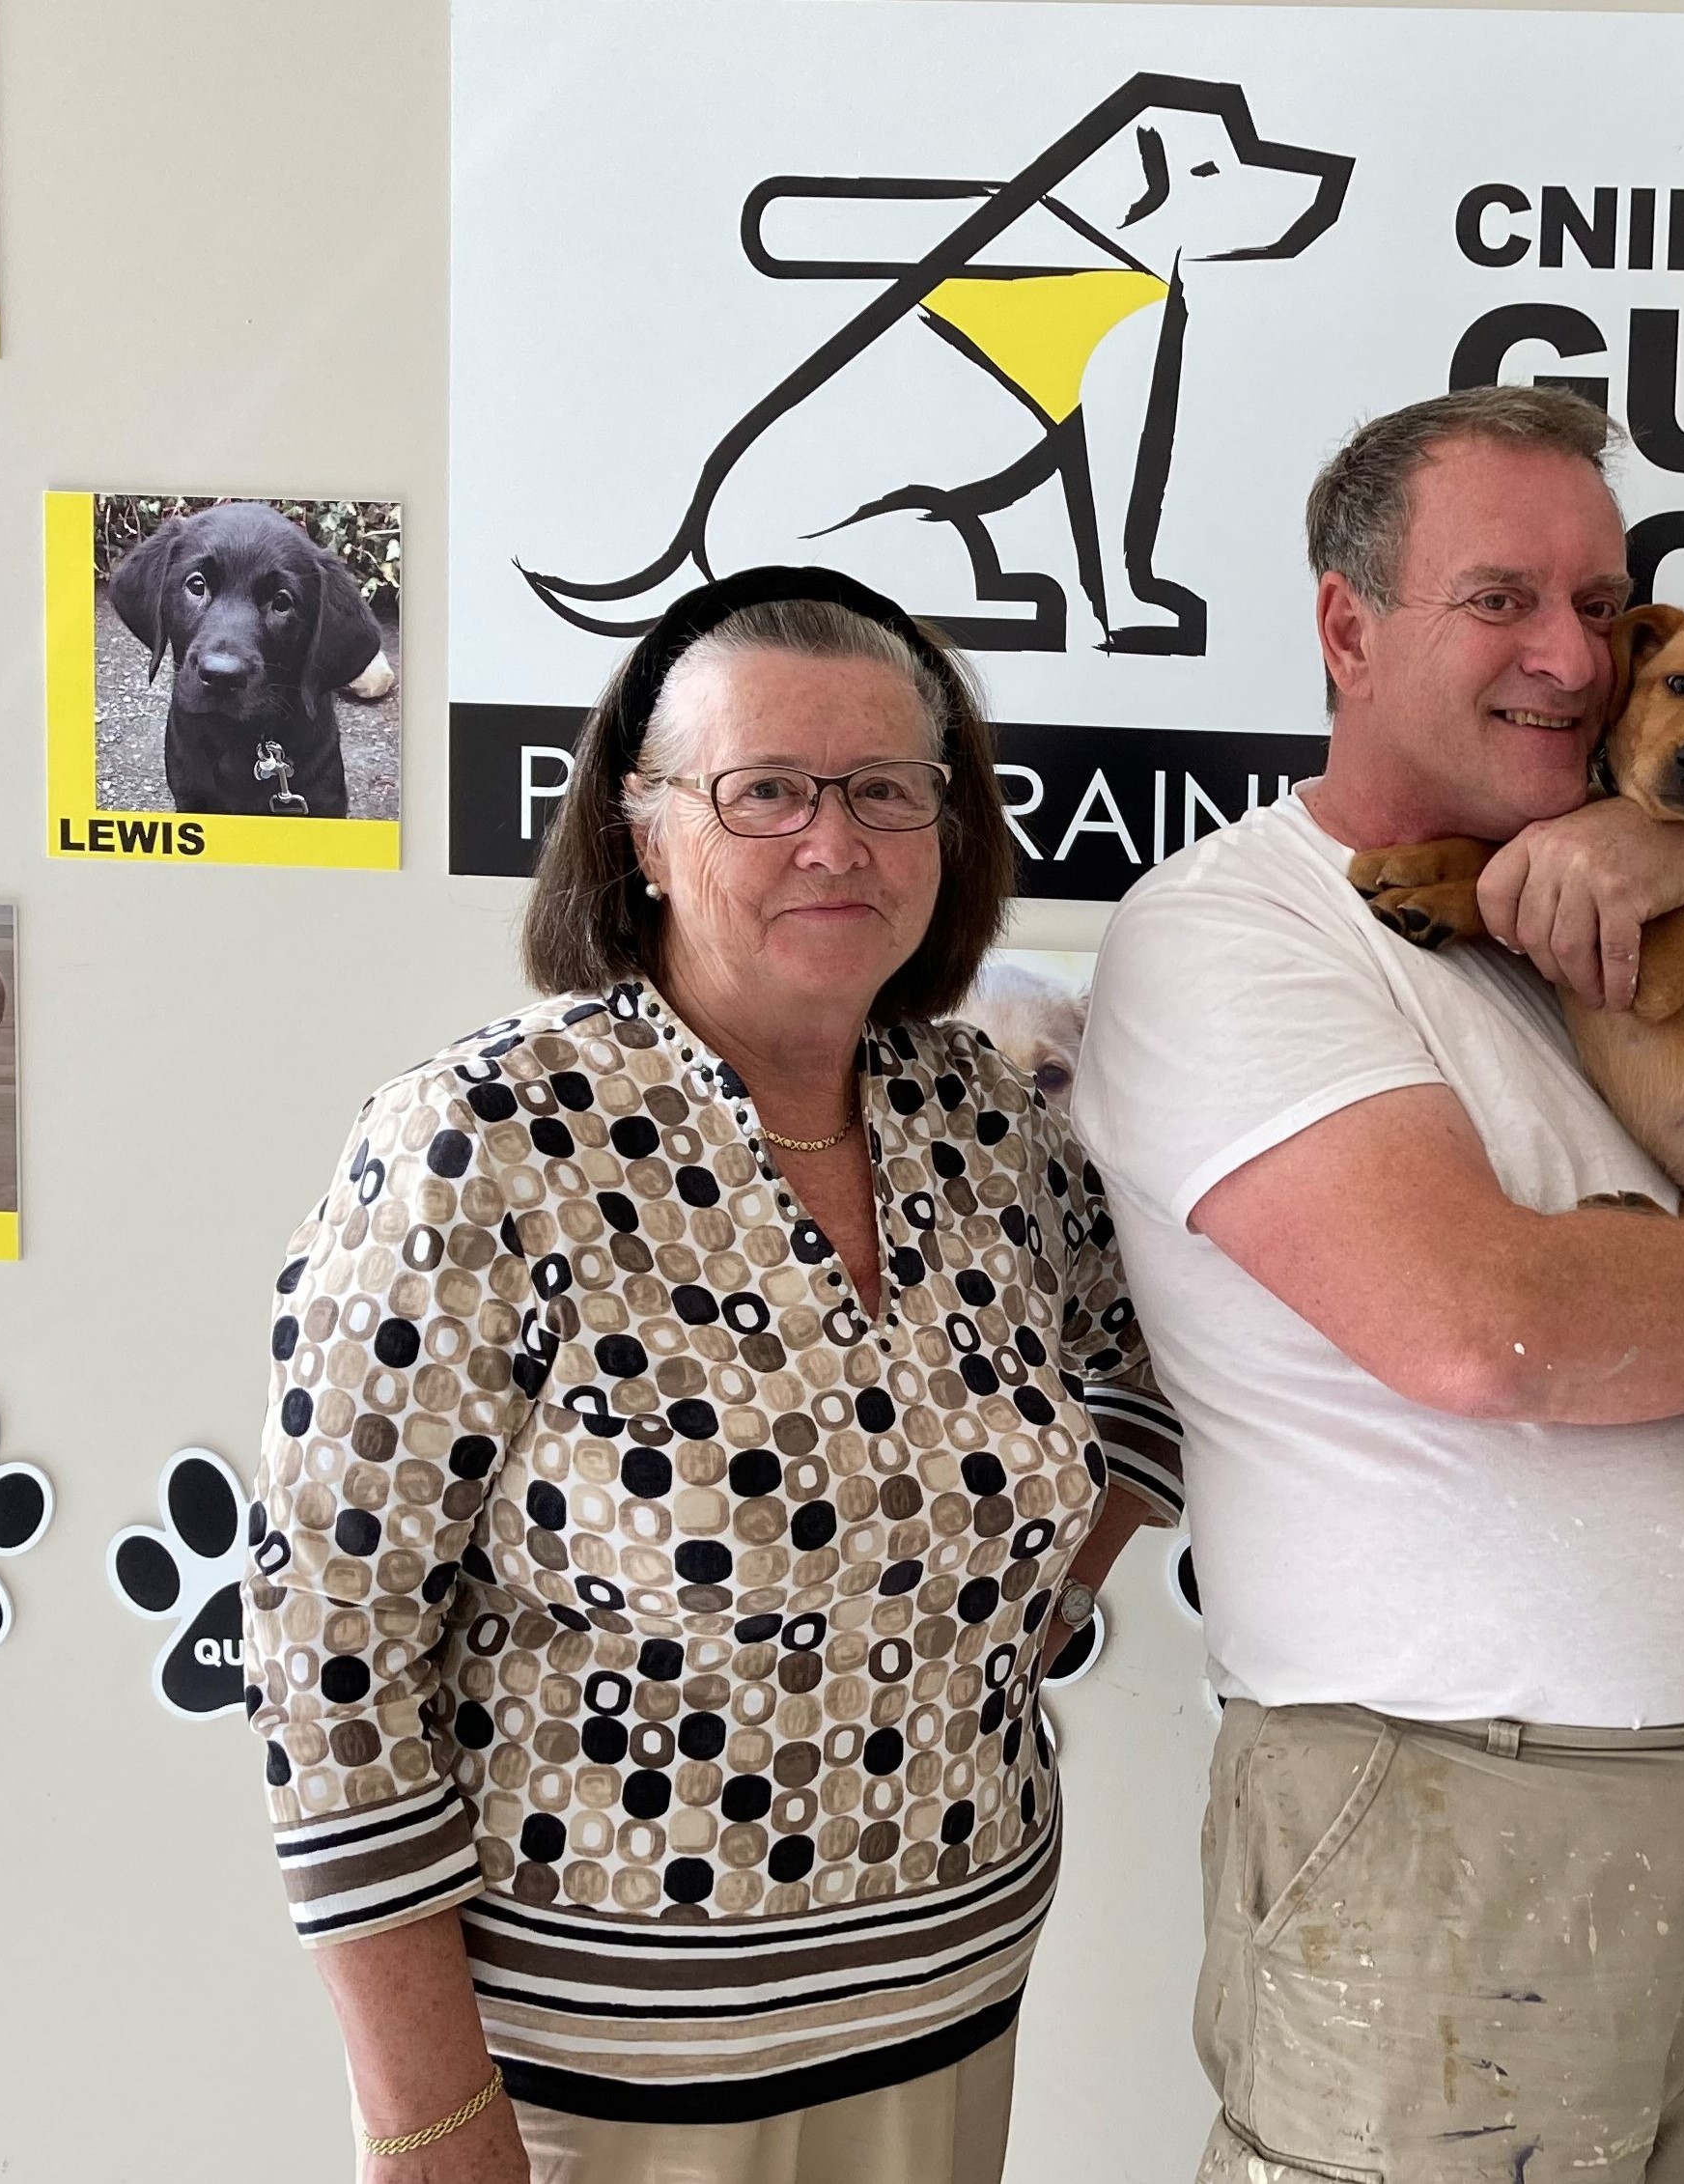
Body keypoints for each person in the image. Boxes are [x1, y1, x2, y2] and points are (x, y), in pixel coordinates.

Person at [1065, 383, 1684, 2183]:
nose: (1573, 659)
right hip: (1448, 1826)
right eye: (1500, 599)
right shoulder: (1234, 930)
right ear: (1348, 627)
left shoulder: (1645, 872)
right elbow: (1488, 1330)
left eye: (1600, 605)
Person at [244, 568, 1180, 2184]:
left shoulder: (989, 1122)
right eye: (765, 791)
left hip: (950, 2018)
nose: (836, 841)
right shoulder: (483, 1141)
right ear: (644, 831)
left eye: (886, 789)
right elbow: (330, 1640)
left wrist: (1035, 1593)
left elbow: (1154, 1360)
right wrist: (428, 2111)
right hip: (595, 2087)